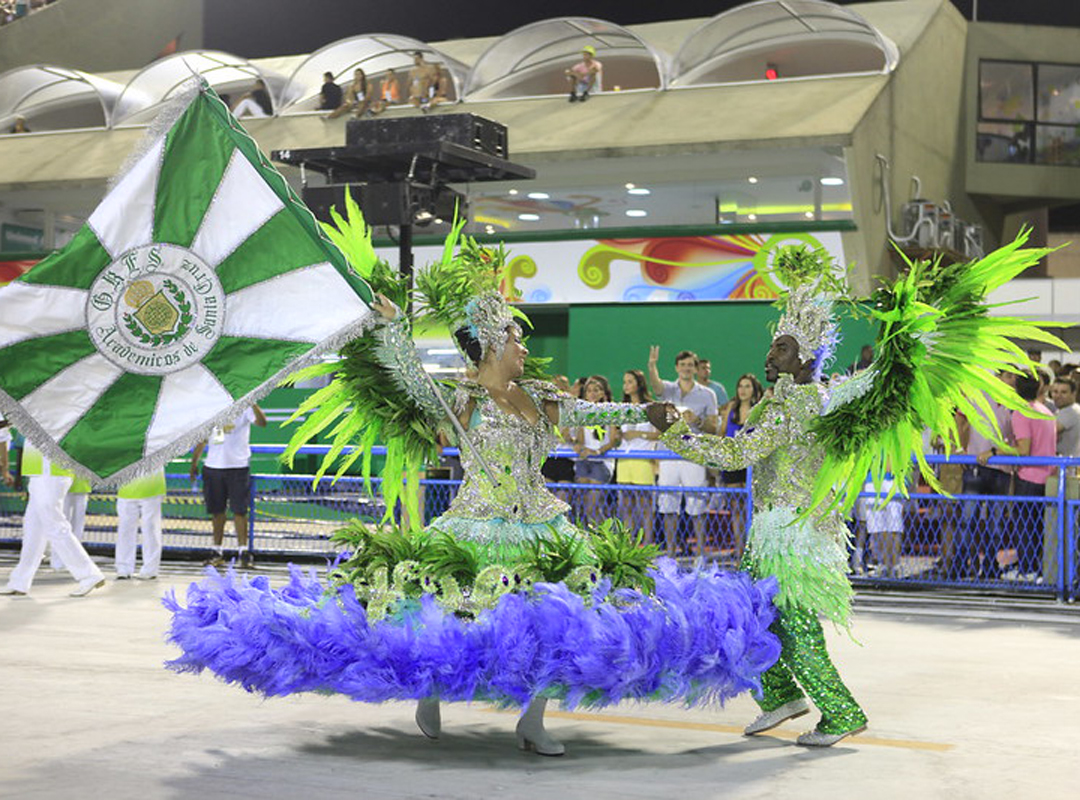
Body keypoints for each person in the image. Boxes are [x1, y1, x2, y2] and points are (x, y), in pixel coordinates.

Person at [166, 224, 781, 759]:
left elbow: (599, 412)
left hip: (543, 527)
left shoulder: (540, 396)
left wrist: (652, 412)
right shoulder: (460, 398)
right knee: (451, 618)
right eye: (515, 338)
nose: (523, 345)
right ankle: (431, 692)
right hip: (472, 529)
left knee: (554, 626)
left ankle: (533, 721)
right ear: (490, 345)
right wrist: (387, 330)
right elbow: (407, 379)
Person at [653, 283, 868, 747]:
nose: (770, 355)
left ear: (807, 359)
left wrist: (675, 435)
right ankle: (780, 695)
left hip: (789, 535)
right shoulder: (808, 397)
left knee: (794, 626)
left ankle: (841, 710)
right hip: (777, 530)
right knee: (750, 617)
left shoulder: (791, 403)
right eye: (772, 346)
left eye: (782, 348)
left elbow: (738, 453)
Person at [1, 443, 106, 597]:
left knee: (55, 525)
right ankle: (19, 581)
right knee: (33, 531)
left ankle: (89, 574)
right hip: (38, 471)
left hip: (51, 470)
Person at [647, 346, 718, 558]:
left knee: (697, 505)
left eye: (690, 365)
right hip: (668, 454)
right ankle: (670, 552)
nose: (686, 368)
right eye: (683, 365)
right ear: (677, 368)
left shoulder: (708, 394)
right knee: (668, 505)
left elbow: (714, 428)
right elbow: (656, 385)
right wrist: (652, 365)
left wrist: (697, 420)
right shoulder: (668, 390)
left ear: (696, 369)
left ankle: (700, 555)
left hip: (693, 455)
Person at [190, 406, 267, 569]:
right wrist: (194, 463)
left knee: (240, 510)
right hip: (213, 467)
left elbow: (262, 423)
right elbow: (202, 439)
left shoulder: (245, 407)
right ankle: (217, 552)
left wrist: (253, 403)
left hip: (238, 467)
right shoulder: (211, 409)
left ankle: (243, 552)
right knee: (217, 512)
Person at [1009, 372, 1056, 581]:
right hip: (1047, 477)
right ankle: (1034, 568)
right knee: (1037, 526)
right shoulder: (1046, 411)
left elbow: (1024, 449)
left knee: (1024, 526)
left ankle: (1027, 569)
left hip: (1028, 476)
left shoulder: (1021, 413)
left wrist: (995, 451)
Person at [717, 373, 763, 562]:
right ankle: (739, 547)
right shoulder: (731, 409)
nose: (743, 390)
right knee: (735, 507)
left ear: (754, 390)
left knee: (751, 507)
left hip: (751, 464)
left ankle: (753, 548)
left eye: (747, 386)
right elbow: (722, 434)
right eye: (740, 386)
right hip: (732, 463)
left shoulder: (758, 410)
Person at [616, 369, 658, 545]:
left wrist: (639, 433)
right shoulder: (621, 408)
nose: (626, 385)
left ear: (639, 384)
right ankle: (628, 544)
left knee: (645, 505)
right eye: (625, 382)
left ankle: (647, 544)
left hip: (643, 459)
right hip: (624, 459)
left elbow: (658, 434)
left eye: (630, 381)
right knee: (626, 505)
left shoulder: (651, 407)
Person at [572, 375, 620, 525]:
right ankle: (589, 538)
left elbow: (613, 440)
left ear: (603, 393)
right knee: (582, 506)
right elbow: (580, 439)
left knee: (591, 507)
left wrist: (597, 452)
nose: (592, 393)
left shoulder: (609, 412)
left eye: (596, 390)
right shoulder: (582, 413)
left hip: (602, 463)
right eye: (589, 391)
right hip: (584, 462)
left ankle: (606, 537)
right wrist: (578, 445)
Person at [114, 468, 166, 580]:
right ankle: (123, 568)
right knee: (125, 529)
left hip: (152, 488)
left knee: (150, 529)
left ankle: (150, 569)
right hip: (126, 488)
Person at [1052, 375, 1080, 458]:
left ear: (1074, 393)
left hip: (1068, 466)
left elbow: (1049, 432)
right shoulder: (1061, 411)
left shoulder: (1070, 411)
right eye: (1055, 392)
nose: (1058, 396)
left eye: (1063, 392)